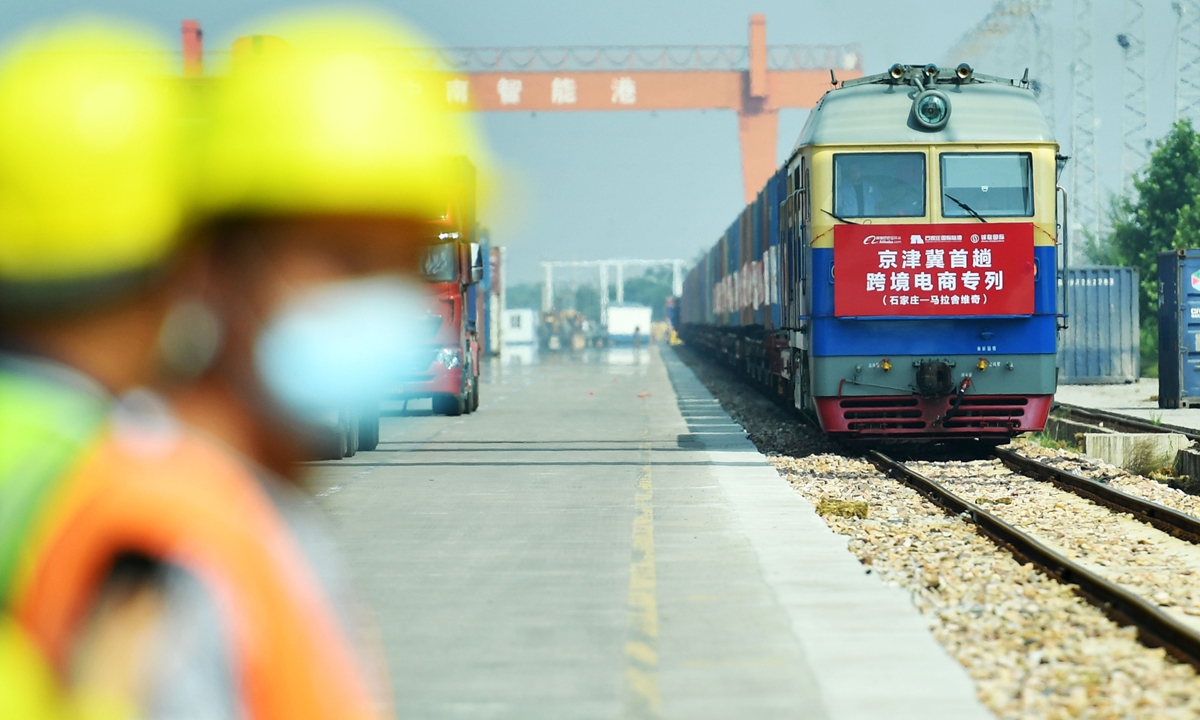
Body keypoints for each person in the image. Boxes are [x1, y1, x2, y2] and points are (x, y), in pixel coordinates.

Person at [1, 11, 486, 719]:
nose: (382, 301)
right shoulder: (167, 547)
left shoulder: (246, 513)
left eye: (400, 265)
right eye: (343, 262)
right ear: (207, 268)